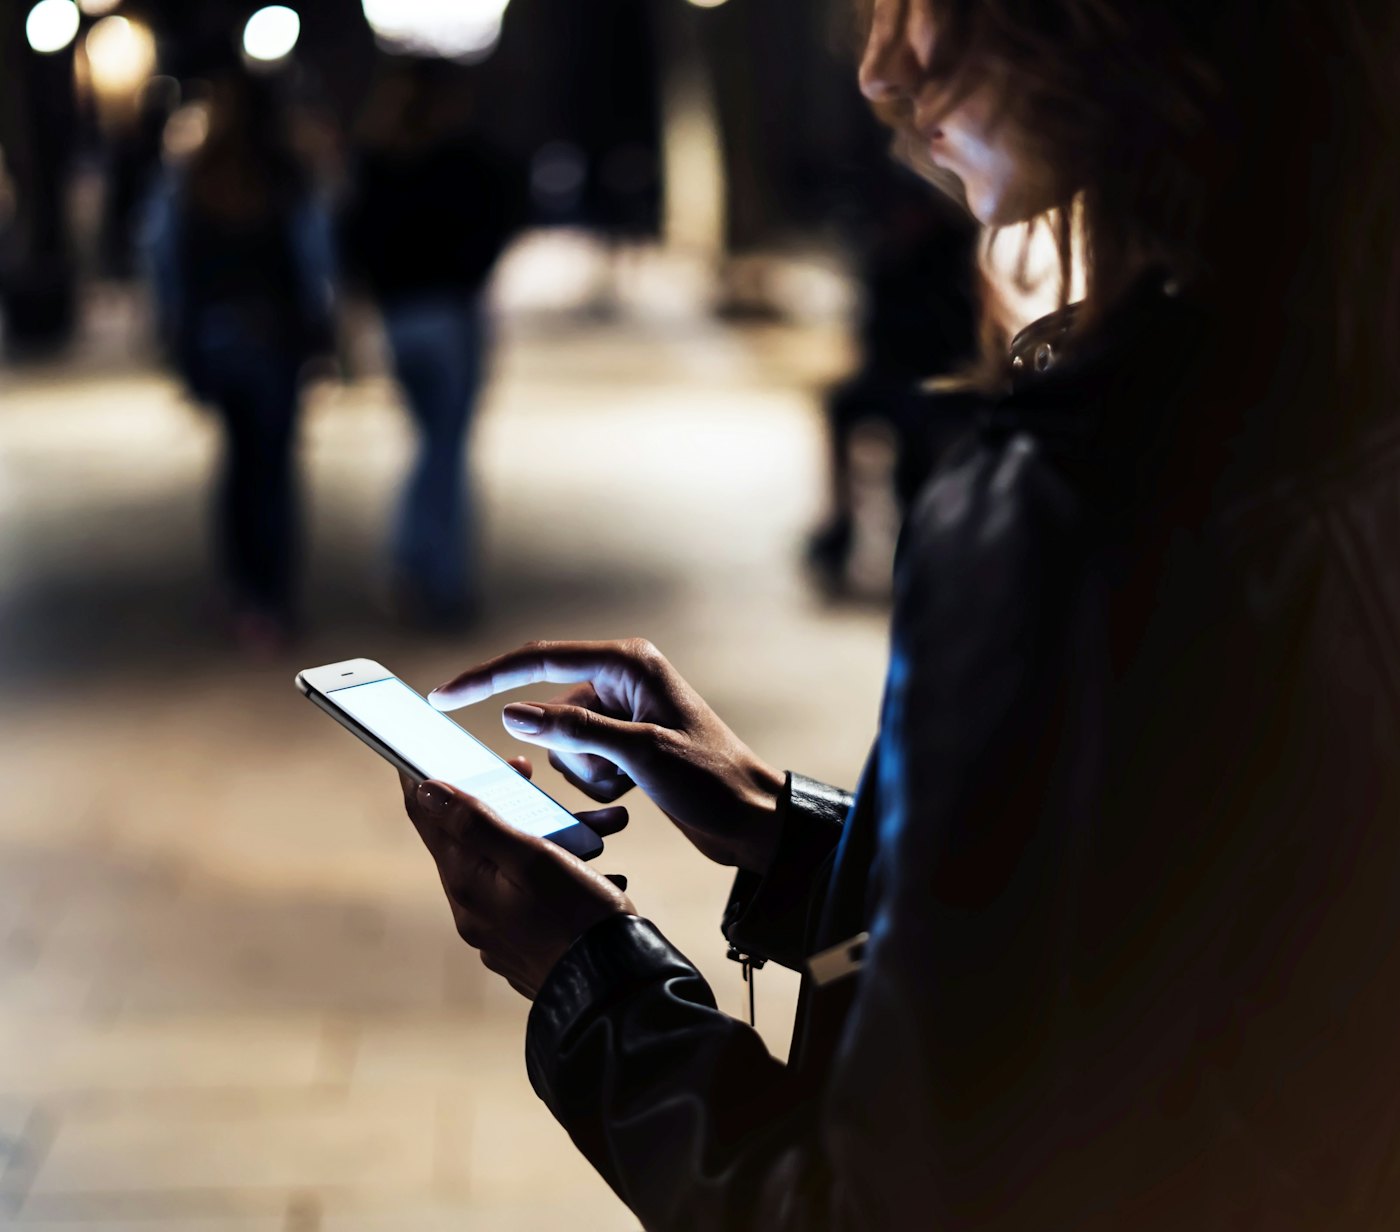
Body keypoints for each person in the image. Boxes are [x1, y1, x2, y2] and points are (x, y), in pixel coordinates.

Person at [394, 0, 1400, 1227]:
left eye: (921, 5)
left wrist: (588, 981)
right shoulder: (1333, 388)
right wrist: (801, 834)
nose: (883, 68)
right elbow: (1153, 942)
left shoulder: (1074, 506)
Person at [146, 70, 335, 653]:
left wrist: (176, 336)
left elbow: (165, 260)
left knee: (237, 466)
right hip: (275, 338)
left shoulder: (194, 177)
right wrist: (324, 334)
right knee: (274, 470)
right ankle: (273, 598)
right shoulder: (287, 175)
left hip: (218, 337)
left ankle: (241, 590)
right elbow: (314, 261)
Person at [341, 62, 527, 627]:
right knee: (444, 451)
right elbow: (503, 213)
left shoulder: (375, 162)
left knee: (431, 445)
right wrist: (470, 272)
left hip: (401, 319)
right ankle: (431, 574)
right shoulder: (462, 159)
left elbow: (352, 240)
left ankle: (420, 567)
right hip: (448, 314)